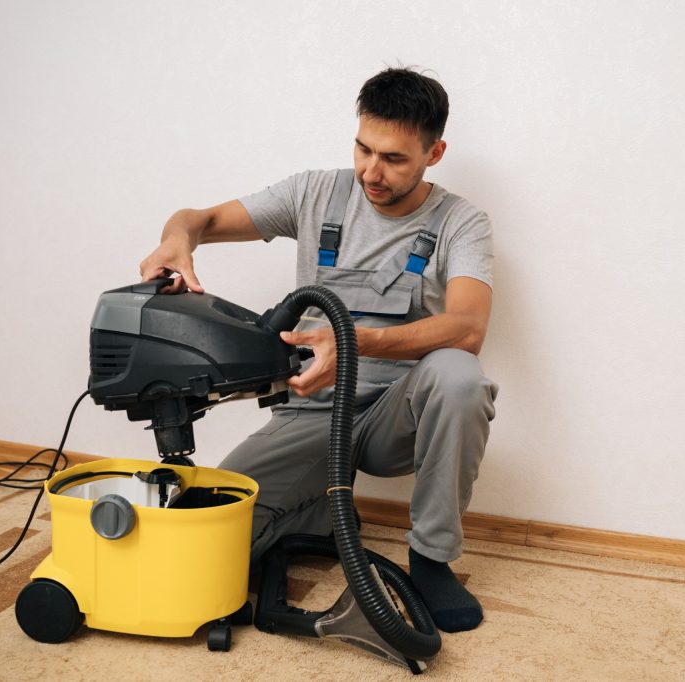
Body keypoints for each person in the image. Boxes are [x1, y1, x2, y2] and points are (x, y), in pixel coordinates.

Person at [138, 67, 497, 633]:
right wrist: (177, 239)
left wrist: (351, 343)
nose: (370, 172)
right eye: (362, 148)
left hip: (394, 416)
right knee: (202, 540)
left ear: (435, 153)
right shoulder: (315, 192)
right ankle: (324, 510)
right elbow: (199, 218)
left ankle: (431, 559)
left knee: (459, 375)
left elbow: (467, 328)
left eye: (394, 159)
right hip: (312, 409)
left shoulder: (461, 223)